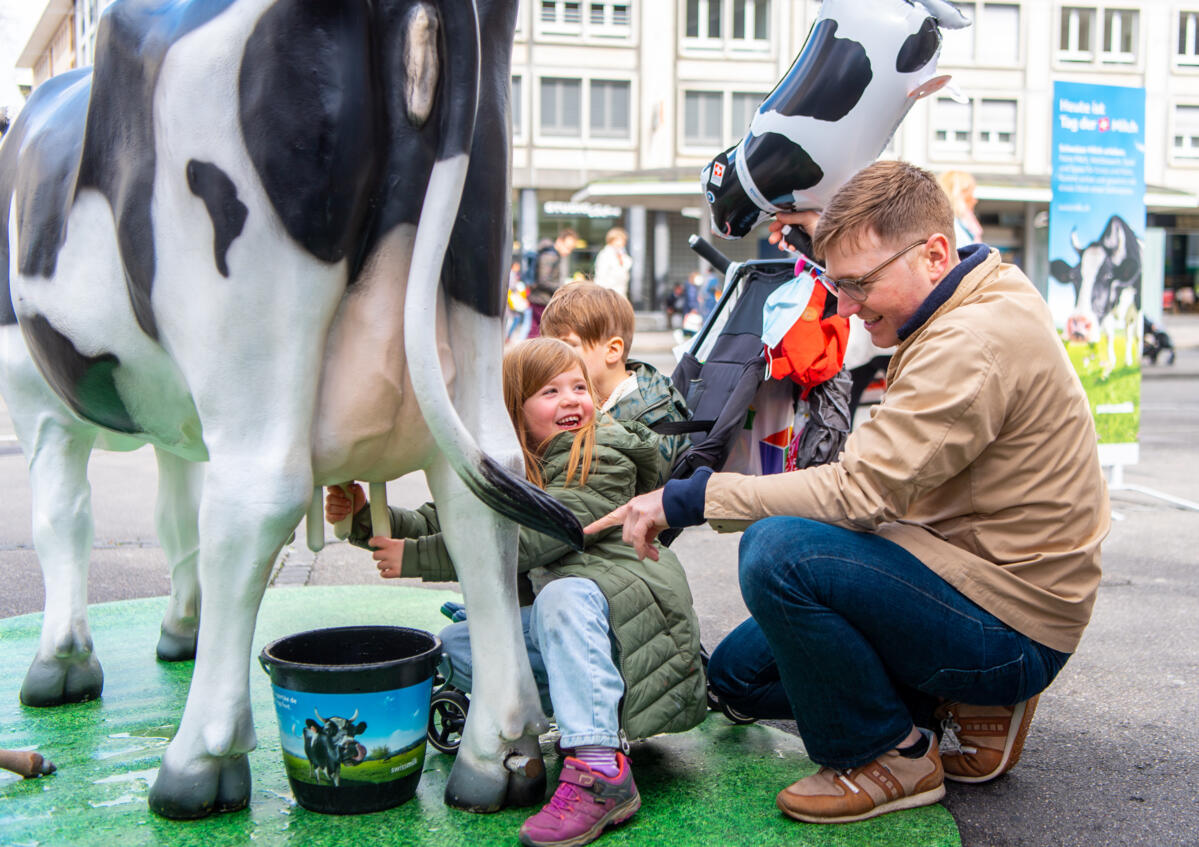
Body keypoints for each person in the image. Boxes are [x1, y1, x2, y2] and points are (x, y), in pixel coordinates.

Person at [587, 160, 1109, 825]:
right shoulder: (977, 283)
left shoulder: (970, 342)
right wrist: (832, 239)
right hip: (961, 568)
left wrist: (688, 497)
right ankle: (958, 703)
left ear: (935, 254)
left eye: (858, 284)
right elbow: (894, 226)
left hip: (1009, 622)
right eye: (837, 282)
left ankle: (888, 753)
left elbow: (861, 492)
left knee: (779, 553)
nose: (844, 305)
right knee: (735, 678)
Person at [325, 337, 706, 847]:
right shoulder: (517, 462)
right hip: (573, 637)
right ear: (515, 410)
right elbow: (441, 520)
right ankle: (576, 714)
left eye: (579, 387)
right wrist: (365, 519)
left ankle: (600, 769)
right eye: (550, 392)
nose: (571, 400)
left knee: (562, 596)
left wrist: (415, 558)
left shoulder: (605, 454)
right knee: (458, 643)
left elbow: (537, 538)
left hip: (628, 626)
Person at [540, 281, 691, 484]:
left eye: (567, 346)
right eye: (549, 346)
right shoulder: (585, 398)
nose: (551, 357)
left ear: (612, 351)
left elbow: (638, 485)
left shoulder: (654, 417)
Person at [528, 228, 578, 337]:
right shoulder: (550, 256)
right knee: (539, 332)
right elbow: (543, 280)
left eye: (570, 249)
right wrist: (561, 288)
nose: (568, 251)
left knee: (537, 331)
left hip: (541, 299)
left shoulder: (552, 255)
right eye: (567, 247)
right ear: (559, 241)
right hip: (541, 300)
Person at [939, 169, 983, 248]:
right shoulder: (953, 228)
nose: (975, 200)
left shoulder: (962, 224)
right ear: (959, 193)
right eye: (971, 193)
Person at [592, 227, 633, 299]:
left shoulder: (622, 253)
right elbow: (601, 275)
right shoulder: (605, 254)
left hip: (621, 292)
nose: (622, 242)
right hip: (608, 293)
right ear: (612, 240)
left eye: (623, 240)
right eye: (619, 239)